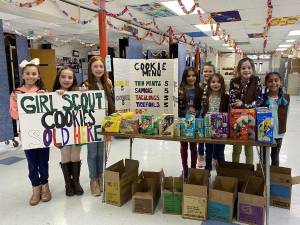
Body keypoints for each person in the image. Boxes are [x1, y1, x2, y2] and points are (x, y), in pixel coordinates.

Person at [9, 58, 51, 206]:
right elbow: (14, 115)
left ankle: (45, 185)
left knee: (43, 161)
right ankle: (35, 188)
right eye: (28, 73)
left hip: (43, 134)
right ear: (23, 75)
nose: (31, 76)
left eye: (34, 74)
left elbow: (50, 113)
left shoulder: (42, 92)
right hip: (26, 135)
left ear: (38, 76)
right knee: (32, 163)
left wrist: (44, 97)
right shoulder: (16, 93)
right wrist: (17, 102)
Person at [82, 56, 115, 196]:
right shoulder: (86, 84)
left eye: (101, 66)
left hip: (104, 123)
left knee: (101, 152)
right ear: (90, 68)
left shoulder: (107, 83)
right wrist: (80, 91)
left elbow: (110, 102)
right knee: (92, 152)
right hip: (90, 124)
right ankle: (93, 179)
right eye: (95, 66)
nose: (99, 69)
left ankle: (101, 176)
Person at [52, 66, 85, 196]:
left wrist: (83, 91)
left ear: (74, 79)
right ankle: (68, 184)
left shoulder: (77, 92)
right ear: (58, 78)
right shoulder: (53, 94)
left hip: (77, 130)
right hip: (62, 131)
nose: (66, 80)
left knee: (75, 155)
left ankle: (76, 182)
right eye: (63, 77)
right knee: (65, 155)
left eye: (70, 77)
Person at [229, 57, 263, 164]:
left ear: (252, 69)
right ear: (239, 70)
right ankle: (236, 169)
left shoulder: (256, 80)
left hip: (251, 117)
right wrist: (241, 105)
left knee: (249, 148)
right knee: (237, 147)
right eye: (243, 68)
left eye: (249, 67)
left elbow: (259, 101)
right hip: (237, 117)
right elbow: (233, 101)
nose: (246, 70)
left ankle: (249, 170)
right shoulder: (234, 81)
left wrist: (244, 105)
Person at [260, 72, 290, 166]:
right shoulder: (262, 97)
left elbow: (286, 115)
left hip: (278, 133)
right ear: (266, 83)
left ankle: (274, 177)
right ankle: (264, 177)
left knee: (275, 158)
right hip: (265, 132)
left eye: (276, 80)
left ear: (280, 82)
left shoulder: (285, 98)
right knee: (264, 158)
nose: (273, 83)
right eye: (270, 81)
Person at [178, 67, 203, 179]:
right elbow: (177, 108)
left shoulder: (200, 90)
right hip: (183, 121)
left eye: (193, 75)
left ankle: (193, 169)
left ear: (196, 77)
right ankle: (185, 169)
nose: (191, 78)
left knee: (193, 146)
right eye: (188, 76)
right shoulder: (180, 90)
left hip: (195, 122)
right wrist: (185, 111)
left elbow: (202, 107)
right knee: (183, 146)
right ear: (185, 77)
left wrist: (196, 112)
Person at [201, 73, 229, 171]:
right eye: (213, 82)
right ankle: (207, 169)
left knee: (220, 151)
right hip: (208, 127)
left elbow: (227, 112)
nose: (215, 84)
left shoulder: (225, 97)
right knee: (208, 150)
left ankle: (222, 172)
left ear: (222, 84)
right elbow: (202, 110)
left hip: (221, 128)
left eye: (218, 82)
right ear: (209, 83)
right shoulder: (205, 96)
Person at [198, 62, 216, 168]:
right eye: (205, 71)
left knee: (212, 137)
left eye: (210, 71)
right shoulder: (199, 86)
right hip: (200, 115)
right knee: (201, 138)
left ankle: (213, 157)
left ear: (214, 72)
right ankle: (200, 156)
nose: (207, 73)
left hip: (213, 116)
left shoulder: (216, 84)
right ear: (202, 73)